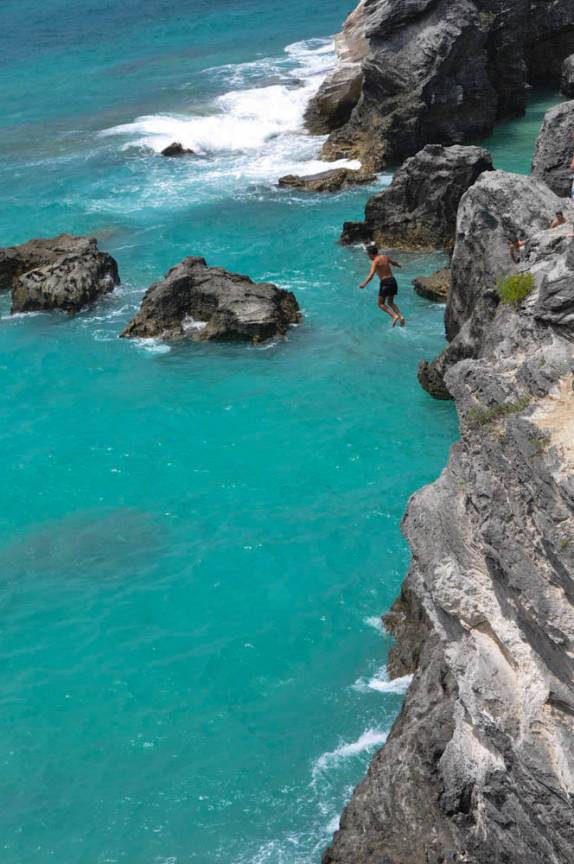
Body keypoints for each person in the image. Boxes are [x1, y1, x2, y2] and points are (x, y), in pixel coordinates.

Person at [359, 244, 405, 327]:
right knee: (390, 302)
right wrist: (399, 265)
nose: (368, 256)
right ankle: (401, 316)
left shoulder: (375, 262)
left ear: (371, 254)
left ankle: (394, 316)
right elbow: (393, 263)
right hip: (393, 281)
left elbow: (371, 274)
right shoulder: (385, 257)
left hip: (385, 283)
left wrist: (364, 284)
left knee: (380, 304)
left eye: (368, 254)